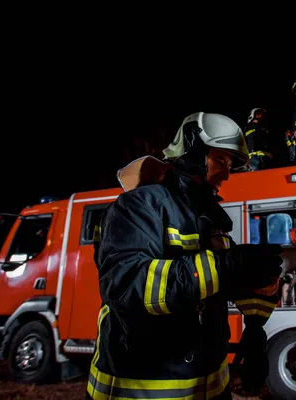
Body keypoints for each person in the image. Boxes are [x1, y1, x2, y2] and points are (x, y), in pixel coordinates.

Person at [86, 112, 283, 400]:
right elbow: (127, 284)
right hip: (142, 388)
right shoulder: (139, 206)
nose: (227, 173)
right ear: (193, 151)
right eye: (221, 160)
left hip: (210, 386)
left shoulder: (210, 219)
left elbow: (222, 281)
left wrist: (255, 323)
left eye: (231, 163)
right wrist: (229, 265)